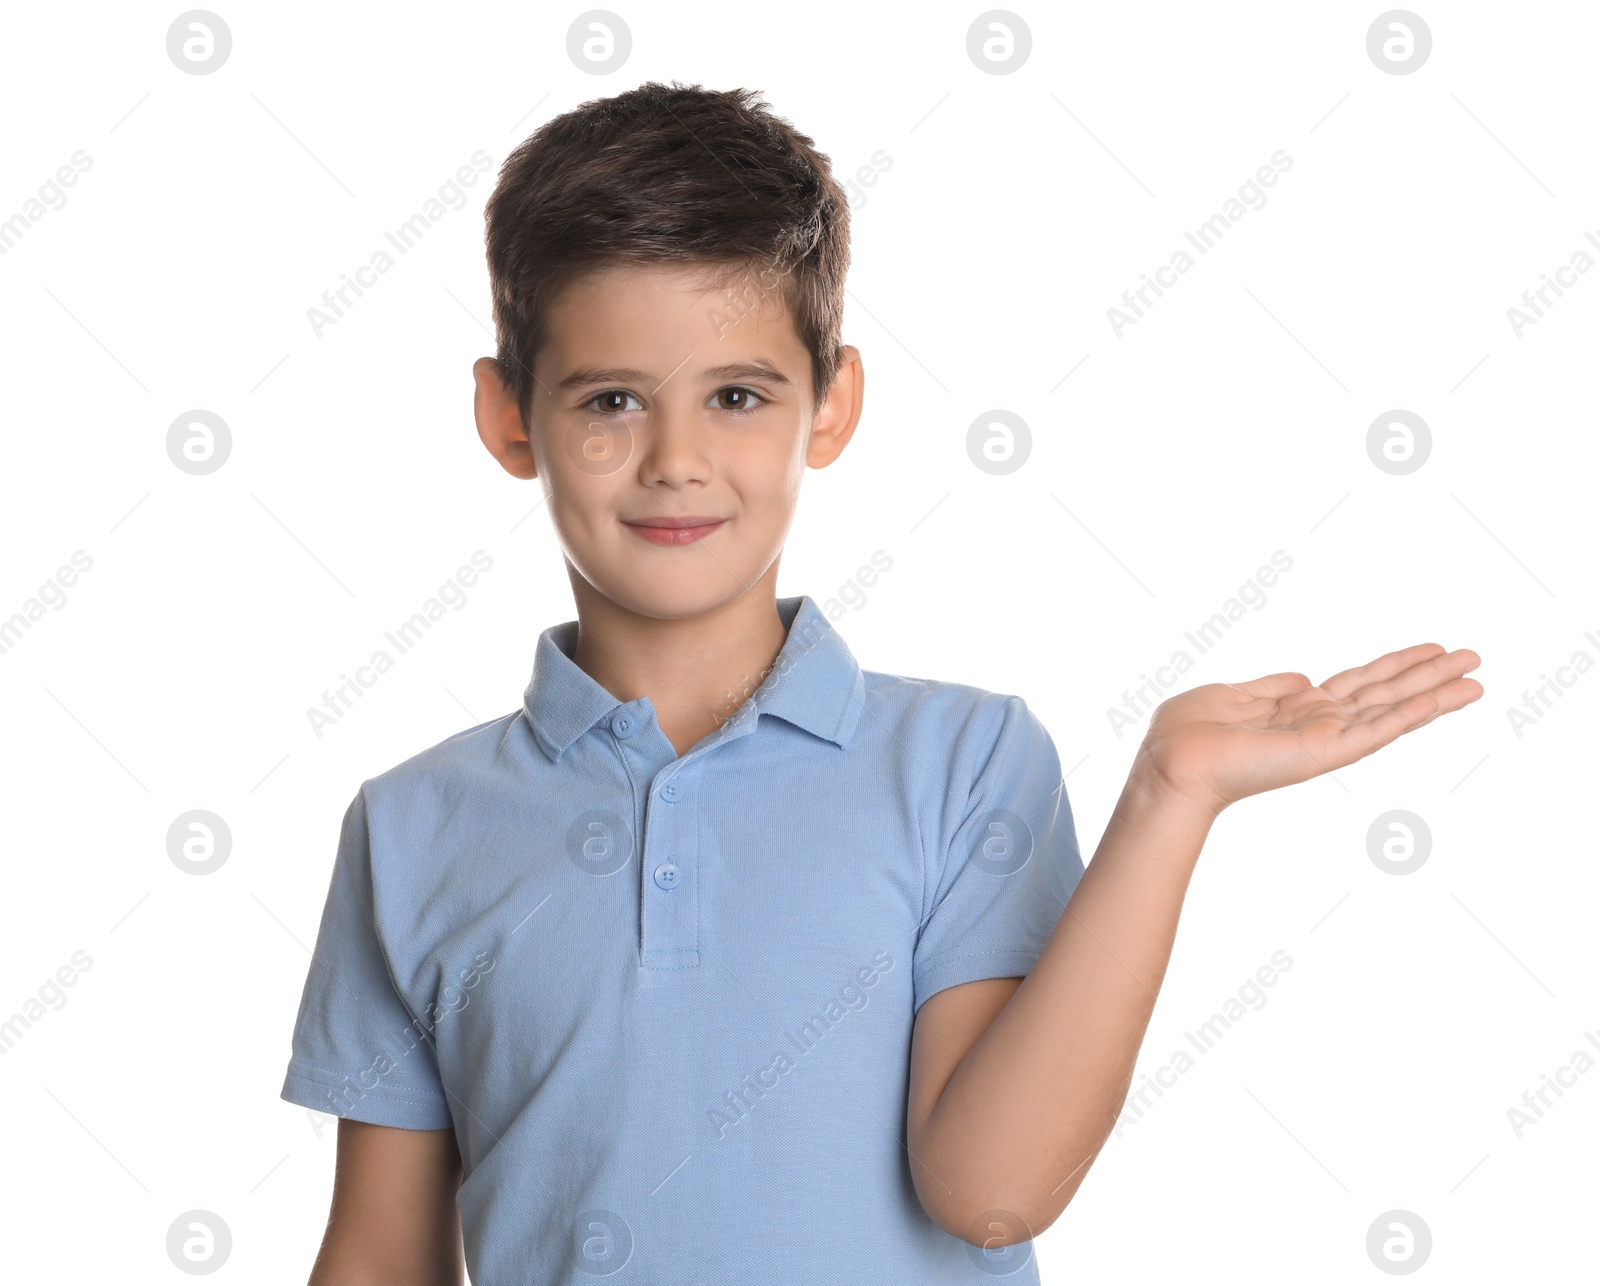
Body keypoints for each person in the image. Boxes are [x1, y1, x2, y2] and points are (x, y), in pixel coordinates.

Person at [278, 81, 1482, 1284]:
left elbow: (991, 1190)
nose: (677, 459)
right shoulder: (409, 826)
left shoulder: (965, 762)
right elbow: (380, 1254)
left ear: (832, 403)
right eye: (611, 401)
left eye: (737, 396)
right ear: (508, 418)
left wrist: (1169, 796)